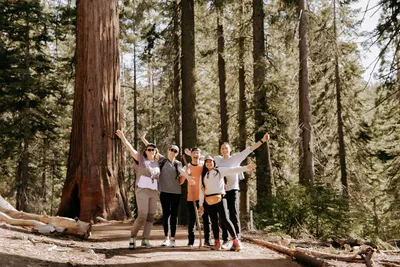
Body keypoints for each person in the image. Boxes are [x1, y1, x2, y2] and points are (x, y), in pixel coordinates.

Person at [215, 133, 270, 249]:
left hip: (233, 189)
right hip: (221, 191)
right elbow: (205, 160)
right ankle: (225, 239)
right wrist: (193, 155)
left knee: (234, 213)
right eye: (222, 148)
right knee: (223, 215)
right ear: (220, 150)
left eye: (226, 148)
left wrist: (262, 141)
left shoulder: (235, 158)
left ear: (230, 150)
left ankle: (236, 238)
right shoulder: (217, 160)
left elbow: (249, 150)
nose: (224, 150)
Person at [199, 155, 256, 251]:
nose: (209, 163)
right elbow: (200, 190)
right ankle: (217, 243)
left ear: (214, 162)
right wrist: (201, 204)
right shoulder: (203, 175)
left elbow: (233, 170)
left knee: (225, 219)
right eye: (207, 162)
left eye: (211, 161)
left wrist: (246, 167)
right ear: (205, 163)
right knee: (213, 222)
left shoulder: (219, 170)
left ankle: (235, 240)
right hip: (209, 200)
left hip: (221, 198)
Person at [116, 130, 160, 249]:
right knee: (142, 215)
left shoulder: (157, 162)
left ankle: (145, 239)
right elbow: (130, 149)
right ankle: (133, 237)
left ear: (156, 152)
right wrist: (123, 138)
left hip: (154, 191)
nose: (151, 151)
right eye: (149, 149)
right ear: (145, 151)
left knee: (151, 216)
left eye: (153, 149)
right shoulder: (140, 159)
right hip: (142, 190)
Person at [139, 132, 183, 248]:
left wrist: (187, 177)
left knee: (174, 215)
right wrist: (144, 139)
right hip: (164, 192)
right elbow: (152, 149)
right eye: (171, 150)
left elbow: (182, 176)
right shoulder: (162, 160)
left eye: (175, 151)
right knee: (166, 214)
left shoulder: (178, 163)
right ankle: (166, 238)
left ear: (177, 153)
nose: (172, 152)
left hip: (176, 193)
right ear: (168, 150)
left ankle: (173, 238)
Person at [179, 148, 212, 247]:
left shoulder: (203, 165)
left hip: (204, 196)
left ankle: (207, 240)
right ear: (191, 155)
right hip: (191, 197)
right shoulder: (187, 166)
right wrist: (186, 175)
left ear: (200, 155)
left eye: (197, 153)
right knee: (192, 219)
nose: (196, 155)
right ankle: (191, 241)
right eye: (194, 153)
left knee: (206, 218)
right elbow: (180, 181)